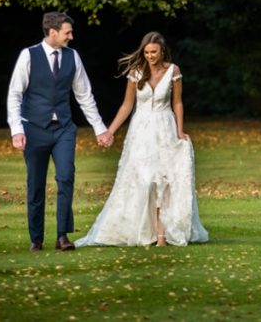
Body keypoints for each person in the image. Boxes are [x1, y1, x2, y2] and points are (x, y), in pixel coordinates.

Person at [76, 31, 209, 247]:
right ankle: (139, 228)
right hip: (141, 131)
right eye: (146, 52)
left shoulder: (173, 71)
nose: (150, 56)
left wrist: (180, 130)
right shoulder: (136, 72)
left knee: (164, 180)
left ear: (162, 50)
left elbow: (177, 103)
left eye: (154, 52)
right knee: (144, 179)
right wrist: (110, 131)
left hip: (165, 128)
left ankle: (162, 236)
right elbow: (127, 105)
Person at [7, 11, 112, 252]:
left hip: (64, 128)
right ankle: (36, 238)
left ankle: (62, 235)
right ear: (52, 32)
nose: (71, 37)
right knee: (36, 184)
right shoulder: (29, 55)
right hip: (34, 129)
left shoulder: (73, 57)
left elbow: (84, 96)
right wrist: (17, 129)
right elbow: (15, 93)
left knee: (66, 177)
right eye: (67, 32)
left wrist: (100, 128)